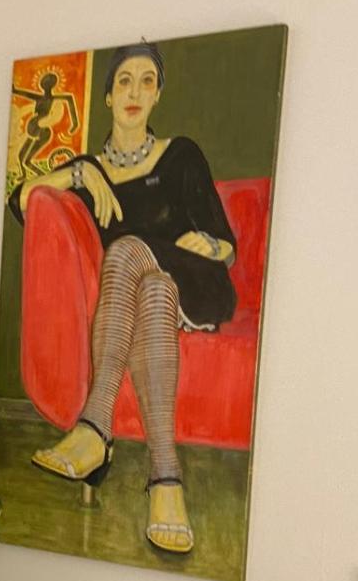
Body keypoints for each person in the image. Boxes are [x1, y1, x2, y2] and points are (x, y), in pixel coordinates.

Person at [13, 41, 236, 554]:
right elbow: (23, 201)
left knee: (128, 250)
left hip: (195, 280)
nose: (135, 92)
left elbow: (226, 243)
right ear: (109, 97)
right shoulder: (90, 172)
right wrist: (80, 172)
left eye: (147, 81)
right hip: (150, 298)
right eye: (124, 81)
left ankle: (95, 426)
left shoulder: (181, 154)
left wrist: (210, 245)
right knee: (151, 288)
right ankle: (166, 479)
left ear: (158, 95)